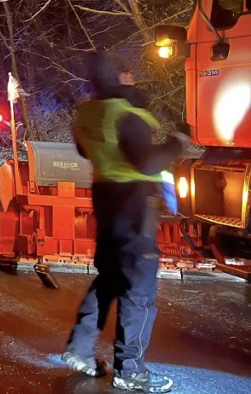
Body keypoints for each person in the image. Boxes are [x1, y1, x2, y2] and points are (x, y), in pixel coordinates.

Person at [61, 50, 190, 393]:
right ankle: (130, 370)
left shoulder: (86, 113)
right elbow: (147, 164)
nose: (132, 77)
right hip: (134, 206)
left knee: (109, 278)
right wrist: (177, 144)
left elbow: (84, 151)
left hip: (105, 201)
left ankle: (80, 349)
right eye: (128, 73)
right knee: (139, 291)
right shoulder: (127, 115)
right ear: (118, 77)